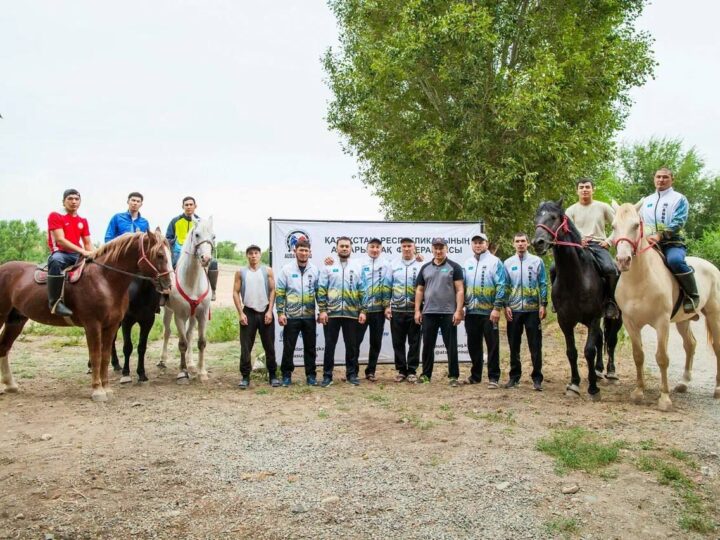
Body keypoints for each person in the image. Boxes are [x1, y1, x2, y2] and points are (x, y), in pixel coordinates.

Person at [639, 167, 698, 312]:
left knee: (675, 261)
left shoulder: (679, 199)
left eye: (665, 177)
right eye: (658, 177)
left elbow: (679, 222)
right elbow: (639, 222)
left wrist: (660, 235)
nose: (661, 180)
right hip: (649, 243)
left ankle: (692, 295)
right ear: (654, 179)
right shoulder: (646, 201)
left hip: (672, 243)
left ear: (672, 179)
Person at [565, 178, 619, 318]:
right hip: (577, 247)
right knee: (554, 268)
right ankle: (559, 301)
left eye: (587, 187)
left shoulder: (603, 207)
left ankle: (610, 302)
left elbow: (618, 225)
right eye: (581, 187)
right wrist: (578, 240)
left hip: (598, 245)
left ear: (593, 189)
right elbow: (566, 232)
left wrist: (609, 241)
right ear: (577, 190)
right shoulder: (570, 211)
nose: (584, 189)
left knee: (610, 269)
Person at [414, 237, 464, 386]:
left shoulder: (454, 267)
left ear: (446, 249)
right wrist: (417, 310)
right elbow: (419, 290)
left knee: (451, 347)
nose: (438, 251)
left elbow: (460, 290)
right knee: (428, 345)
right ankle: (425, 375)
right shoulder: (425, 268)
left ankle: (453, 376)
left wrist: (458, 310)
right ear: (432, 249)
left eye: (441, 248)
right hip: (429, 312)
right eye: (435, 248)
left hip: (448, 313)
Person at [317, 236, 365, 387]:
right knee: (330, 345)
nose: (344, 248)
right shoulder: (328, 267)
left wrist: (363, 311)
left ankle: (351, 374)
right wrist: (323, 310)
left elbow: (363, 290)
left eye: (347, 246)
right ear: (336, 248)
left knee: (352, 346)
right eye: (341, 246)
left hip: (352, 314)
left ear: (351, 249)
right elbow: (321, 289)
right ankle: (327, 376)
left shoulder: (357, 266)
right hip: (332, 314)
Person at [503, 232, 548, 391]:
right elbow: (505, 285)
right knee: (514, 345)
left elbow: (542, 283)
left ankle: (537, 378)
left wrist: (543, 304)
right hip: (514, 310)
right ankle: (514, 377)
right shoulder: (507, 263)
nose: (520, 244)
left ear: (528, 243)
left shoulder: (537, 261)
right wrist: (505, 305)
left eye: (523, 241)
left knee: (535, 345)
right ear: (513, 244)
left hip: (532, 310)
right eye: (517, 241)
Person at [462, 233, 506, 389]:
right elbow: (462, 287)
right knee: (473, 345)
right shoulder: (467, 263)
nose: (478, 245)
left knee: (492, 345)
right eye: (475, 243)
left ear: (487, 244)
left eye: (481, 242)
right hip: (471, 312)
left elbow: (501, 285)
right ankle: (475, 376)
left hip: (489, 312)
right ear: (472, 245)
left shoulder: (495, 262)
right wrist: (461, 306)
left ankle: (493, 377)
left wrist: (497, 308)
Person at [275, 239, 320, 386]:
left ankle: (311, 375)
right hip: (291, 316)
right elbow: (280, 293)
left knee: (310, 347)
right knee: (289, 347)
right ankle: (286, 375)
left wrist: (321, 311)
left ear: (310, 253)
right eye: (301, 250)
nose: (303, 253)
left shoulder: (314, 270)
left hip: (309, 316)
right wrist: (280, 313)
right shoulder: (286, 270)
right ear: (295, 251)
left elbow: (319, 293)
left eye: (306, 250)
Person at [233, 245, 278, 389]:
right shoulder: (241, 272)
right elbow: (235, 292)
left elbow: (273, 290)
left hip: (265, 312)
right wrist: (241, 313)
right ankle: (245, 377)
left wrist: (270, 311)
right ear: (247, 256)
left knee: (269, 346)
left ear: (260, 255)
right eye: (251, 253)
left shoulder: (267, 271)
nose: (253, 256)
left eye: (256, 253)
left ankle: (273, 375)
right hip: (249, 312)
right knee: (246, 347)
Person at [46, 189, 93, 316]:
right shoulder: (55, 215)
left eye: (76, 199)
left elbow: (88, 243)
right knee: (56, 261)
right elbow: (60, 240)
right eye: (70, 199)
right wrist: (82, 251)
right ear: (63, 201)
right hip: (61, 253)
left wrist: (94, 255)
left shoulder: (82, 221)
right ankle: (55, 303)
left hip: (77, 254)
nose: (73, 202)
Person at [165, 196, 219, 300]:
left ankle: (212, 290)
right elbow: (168, 237)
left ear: (195, 206)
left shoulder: (202, 222)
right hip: (178, 251)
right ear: (183, 206)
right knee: (169, 264)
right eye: (186, 205)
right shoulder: (175, 221)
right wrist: (173, 244)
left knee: (213, 263)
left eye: (191, 205)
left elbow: (209, 237)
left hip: (198, 252)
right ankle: (166, 292)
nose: (189, 207)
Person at [385, 237, 423, 383]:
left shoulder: (421, 264)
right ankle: (401, 370)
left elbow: (424, 287)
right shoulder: (393, 264)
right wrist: (387, 306)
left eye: (409, 246)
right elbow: (388, 286)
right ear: (401, 248)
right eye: (404, 246)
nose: (407, 248)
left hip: (415, 310)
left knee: (415, 341)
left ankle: (412, 370)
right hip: (397, 309)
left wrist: (420, 308)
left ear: (414, 248)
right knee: (398, 342)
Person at [356, 238, 392, 382]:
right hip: (361, 311)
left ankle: (371, 371)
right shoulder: (358, 263)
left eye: (378, 247)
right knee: (355, 342)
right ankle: (352, 370)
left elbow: (388, 286)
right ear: (367, 248)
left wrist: (386, 306)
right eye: (372, 247)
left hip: (378, 311)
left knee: (375, 342)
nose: (375, 249)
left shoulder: (386, 264)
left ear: (381, 249)